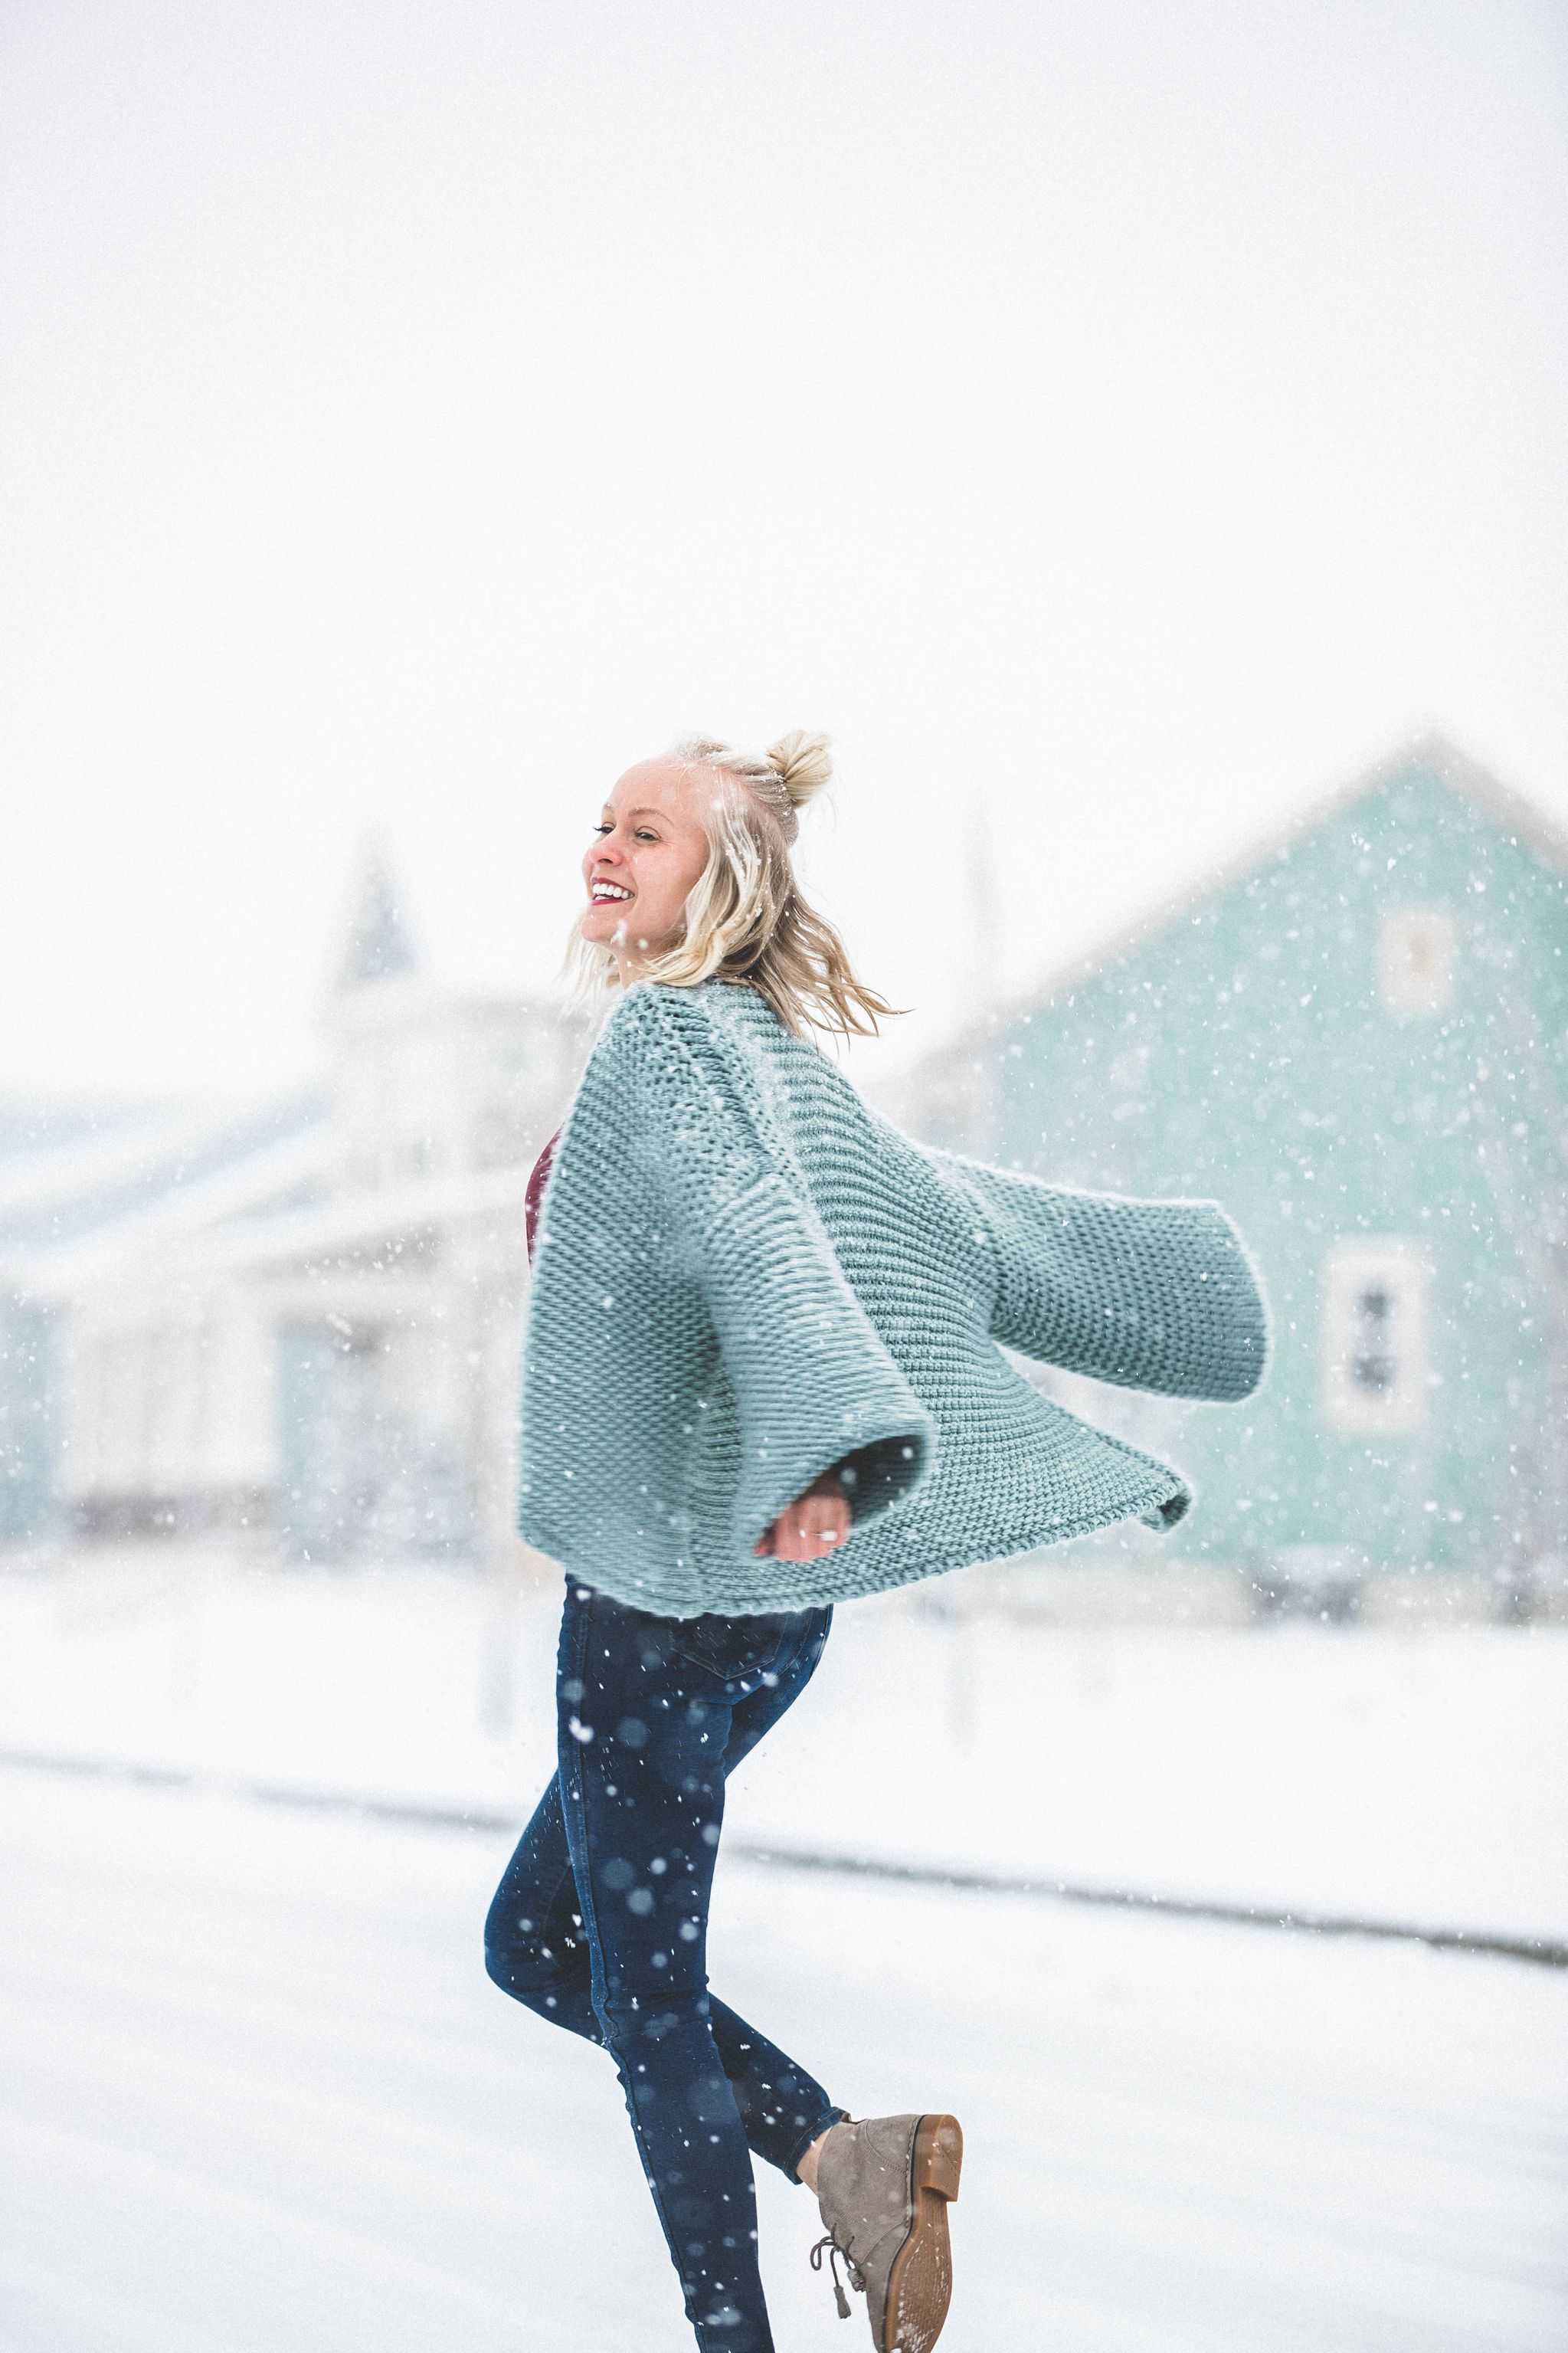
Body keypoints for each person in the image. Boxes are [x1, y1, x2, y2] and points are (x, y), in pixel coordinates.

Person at [485, 732, 965, 2353]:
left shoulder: (679, 1050)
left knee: (635, 1990)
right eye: (599, 822)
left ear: (727, 881)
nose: (602, 852)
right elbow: (810, 1255)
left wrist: (824, 1445)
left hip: (668, 1588)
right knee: (544, 1945)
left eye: (647, 834)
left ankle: (737, 2330)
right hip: (740, 1586)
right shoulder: (735, 1052)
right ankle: (844, 2161)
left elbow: (772, 1267)